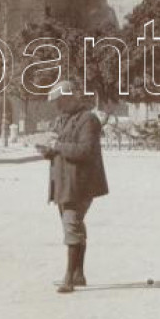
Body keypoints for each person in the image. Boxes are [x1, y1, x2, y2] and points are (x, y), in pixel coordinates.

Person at [36, 81, 109, 294]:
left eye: (60, 102)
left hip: (79, 183)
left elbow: (85, 150)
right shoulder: (63, 119)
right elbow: (59, 148)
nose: (57, 107)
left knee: (71, 224)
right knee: (74, 225)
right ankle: (79, 274)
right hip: (64, 182)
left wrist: (57, 146)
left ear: (70, 98)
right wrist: (47, 150)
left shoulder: (89, 120)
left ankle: (68, 277)